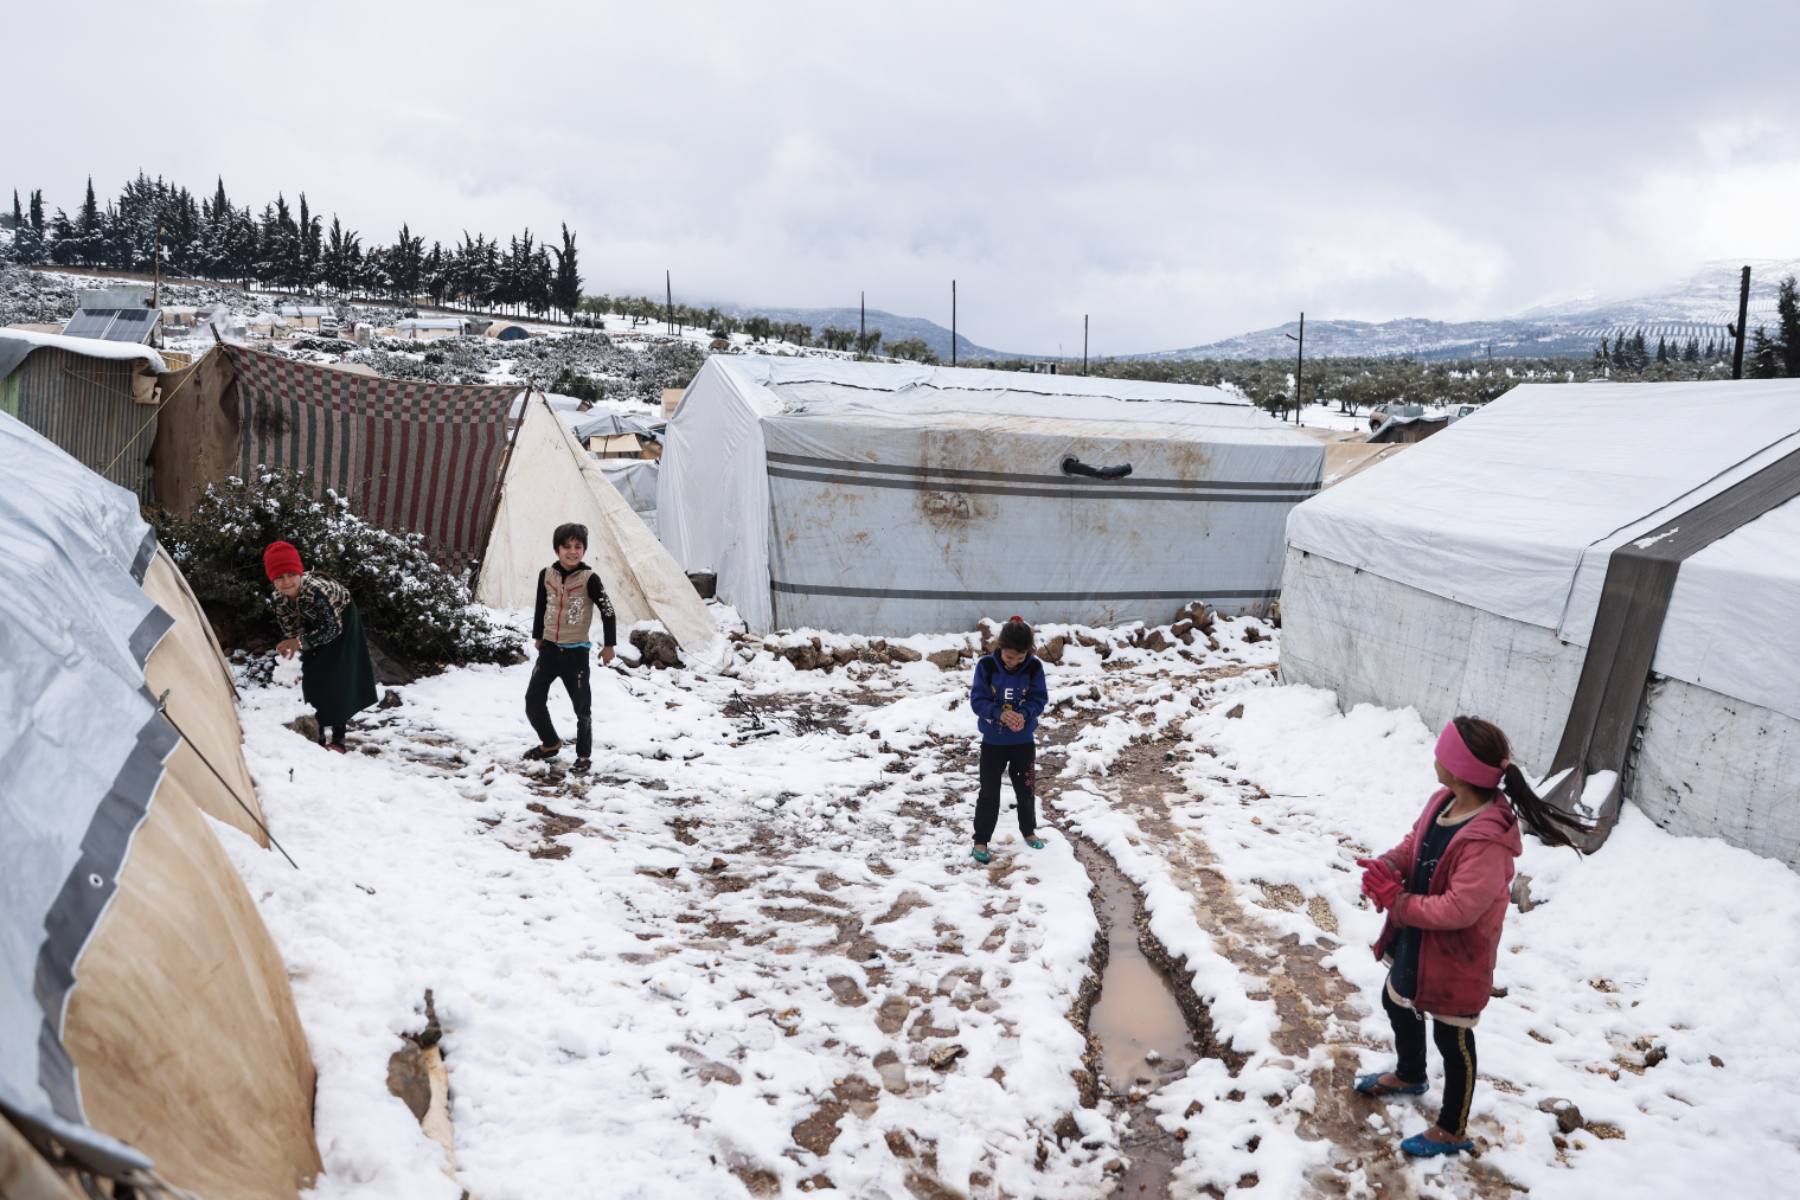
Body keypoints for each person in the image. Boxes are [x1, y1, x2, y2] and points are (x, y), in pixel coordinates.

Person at [1353, 716, 1584, 1157]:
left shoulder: (1487, 839)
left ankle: (1453, 1128)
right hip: (1419, 942)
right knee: (1394, 998)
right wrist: (1389, 866)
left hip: (1457, 956)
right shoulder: (1443, 800)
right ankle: (1410, 1073)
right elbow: (1414, 844)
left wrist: (1398, 903)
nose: (1435, 758)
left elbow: (1461, 909)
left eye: (1442, 752)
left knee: (1453, 1038)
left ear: (1459, 768)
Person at [266, 540, 378, 754]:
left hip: (340, 620)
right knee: (311, 672)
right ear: (272, 579)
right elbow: (290, 630)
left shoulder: (318, 592)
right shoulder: (278, 599)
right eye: (279, 577)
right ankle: (317, 734)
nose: (287, 581)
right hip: (312, 621)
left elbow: (332, 629)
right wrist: (293, 652)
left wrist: (299, 642)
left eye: (291, 574)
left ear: (299, 572)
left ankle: (338, 738)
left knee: (336, 674)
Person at [524, 522, 617, 775]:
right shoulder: (546, 575)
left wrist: (609, 645)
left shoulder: (590, 579)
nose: (572, 551)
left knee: (581, 708)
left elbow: (608, 611)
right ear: (557, 550)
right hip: (550, 651)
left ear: (584, 550)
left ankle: (584, 756)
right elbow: (541, 606)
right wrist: (539, 636)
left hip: (575, 655)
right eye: (567, 547)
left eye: (578, 547)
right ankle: (550, 743)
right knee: (533, 701)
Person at [967, 616, 1049, 864]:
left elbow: (1039, 699)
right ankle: (981, 840)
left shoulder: (1034, 667)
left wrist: (1023, 714)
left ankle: (1029, 831)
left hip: (1022, 742)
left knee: (1025, 788)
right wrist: (999, 713)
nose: (1013, 663)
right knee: (989, 792)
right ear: (1000, 648)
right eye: (1009, 657)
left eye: (1019, 658)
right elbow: (978, 701)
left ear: (1028, 653)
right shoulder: (987, 667)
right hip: (993, 743)